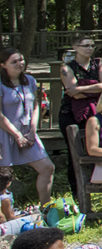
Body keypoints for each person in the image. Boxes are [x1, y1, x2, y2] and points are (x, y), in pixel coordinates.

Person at [0, 49, 55, 204]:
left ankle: (45, 209)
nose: (19, 64)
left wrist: (32, 131)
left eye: (21, 60)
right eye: (14, 61)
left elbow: (36, 107)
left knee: (47, 167)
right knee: (2, 178)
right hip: (5, 134)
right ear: (3, 65)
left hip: (28, 133)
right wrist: (17, 135)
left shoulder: (30, 80)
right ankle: (5, 218)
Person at [58, 36, 102, 134]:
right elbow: (75, 94)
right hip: (72, 113)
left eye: (92, 46)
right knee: (76, 147)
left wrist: (80, 88)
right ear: (75, 47)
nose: (90, 48)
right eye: (86, 45)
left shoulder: (99, 63)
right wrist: (96, 89)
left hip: (97, 111)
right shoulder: (66, 67)